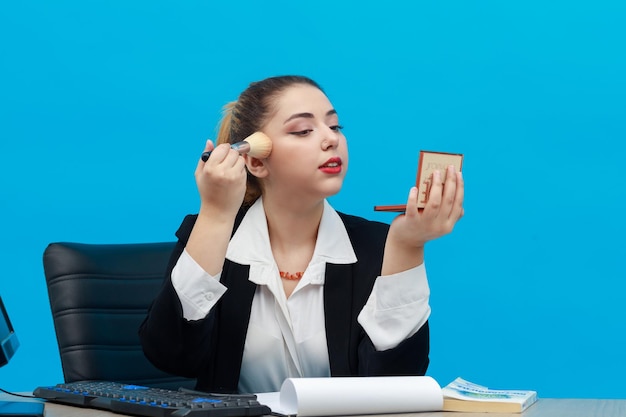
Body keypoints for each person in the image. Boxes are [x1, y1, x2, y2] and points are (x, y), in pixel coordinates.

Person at [139, 75, 464, 394]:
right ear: (255, 161)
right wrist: (215, 214)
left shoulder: (379, 247)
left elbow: (396, 383)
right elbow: (172, 356)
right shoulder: (212, 235)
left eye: (334, 126)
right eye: (303, 130)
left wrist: (408, 246)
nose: (330, 139)